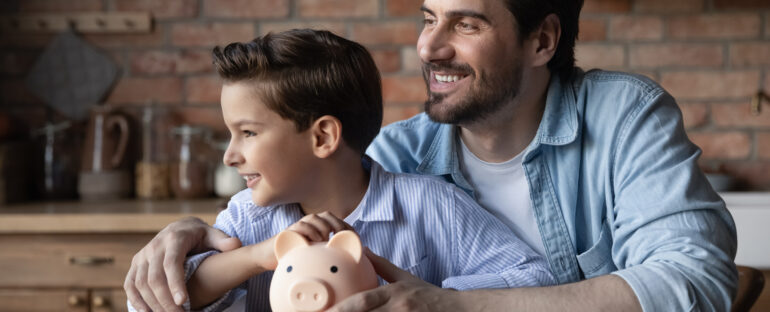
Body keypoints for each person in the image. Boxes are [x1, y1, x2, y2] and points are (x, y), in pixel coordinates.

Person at [125, 0, 739, 310]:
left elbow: (694, 285)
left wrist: (457, 307)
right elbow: (305, 185)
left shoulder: (623, 115)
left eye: (466, 25)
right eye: (428, 18)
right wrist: (192, 234)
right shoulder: (397, 155)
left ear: (542, 40)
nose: (429, 48)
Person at [126, 29, 554, 311]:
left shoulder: (431, 204)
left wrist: (439, 298)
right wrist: (258, 256)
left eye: (248, 133)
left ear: (322, 137)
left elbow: (534, 277)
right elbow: (176, 297)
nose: (230, 155)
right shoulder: (247, 218)